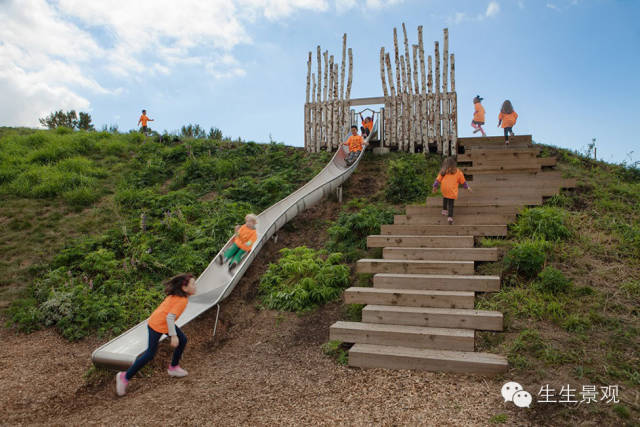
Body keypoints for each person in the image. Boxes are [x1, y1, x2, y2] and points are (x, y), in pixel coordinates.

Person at [115, 273, 196, 397]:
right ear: (184, 288)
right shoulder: (182, 301)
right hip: (157, 325)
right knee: (150, 354)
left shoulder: (177, 295)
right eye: (193, 284)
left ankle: (173, 368)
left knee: (183, 340)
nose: (195, 286)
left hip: (160, 321)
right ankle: (124, 376)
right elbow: (170, 318)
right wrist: (173, 336)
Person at [432, 157, 472, 225]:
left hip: (444, 188)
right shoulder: (458, 172)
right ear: (454, 164)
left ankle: (444, 210)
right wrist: (467, 187)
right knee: (450, 203)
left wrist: (435, 187)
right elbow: (463, 181)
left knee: (445, 196)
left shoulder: (443, 171)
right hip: (452, 190)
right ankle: (450, 217)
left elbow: (437, 180)